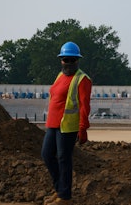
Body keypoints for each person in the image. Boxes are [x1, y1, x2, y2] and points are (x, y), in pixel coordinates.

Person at [41, 41, 92, 205]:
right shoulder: (60, 76)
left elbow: (85, 106)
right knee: (47, 155)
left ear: (77, 61)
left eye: (72, 60)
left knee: (64, 159)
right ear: (61, 60)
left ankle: (65, 197)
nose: (68, 63)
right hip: (53, 124)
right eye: (65, 60)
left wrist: (83, 128)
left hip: (68, 127)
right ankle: (59, 190)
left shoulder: (82, 79)